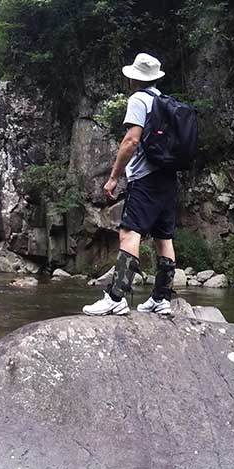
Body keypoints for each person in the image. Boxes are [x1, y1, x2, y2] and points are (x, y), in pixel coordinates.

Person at [83, 53, 179, 316]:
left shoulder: (139, 99)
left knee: (129, 233)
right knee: (164, 237)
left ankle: (117, 297)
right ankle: (161, 298)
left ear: (134, 78)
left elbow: (131, 141)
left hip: (145, 179)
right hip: (169, 178)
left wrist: (114, 176)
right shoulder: (165, 101)